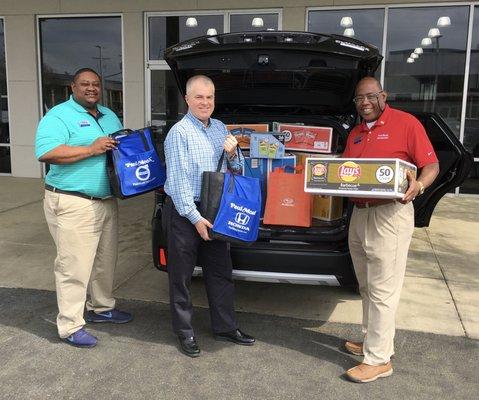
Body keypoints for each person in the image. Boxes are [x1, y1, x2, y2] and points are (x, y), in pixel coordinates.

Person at [342, 77, 439, 383]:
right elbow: (344, 172)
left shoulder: (406, 123)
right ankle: (375, 341)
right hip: (360, 214)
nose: (365, 103)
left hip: (390, 215)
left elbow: (431, 165)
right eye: (359, 100)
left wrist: (419, 186)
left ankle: (379, 360)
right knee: (367, 286)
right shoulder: (355, 133)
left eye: (370, 97)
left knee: (384, 289)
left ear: (383, 96)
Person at [35, 68, 133, 348]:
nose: (91, 88)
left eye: (96, 85)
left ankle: (101, 308)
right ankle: (70, 325)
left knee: (105, 260)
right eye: (85, 84)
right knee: (73, 266)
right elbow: (46, 152)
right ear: (73, 87)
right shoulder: (58, 116)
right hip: (73, 200)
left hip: (105, 201)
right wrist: (91, 149)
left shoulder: (109, 115)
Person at [163, 74, 255, 357]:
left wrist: (233, 152)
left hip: (215, 210)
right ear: (188, 99)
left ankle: (225, 327)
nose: (205, 102)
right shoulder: (179, 133)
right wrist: (195, 218)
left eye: (210, 97)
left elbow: (236, 171)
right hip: (184, 212)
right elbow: (177, 182)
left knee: (220, 272)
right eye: (199, 97)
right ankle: (185, 332)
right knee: (182, 277)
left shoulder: (220, 128)